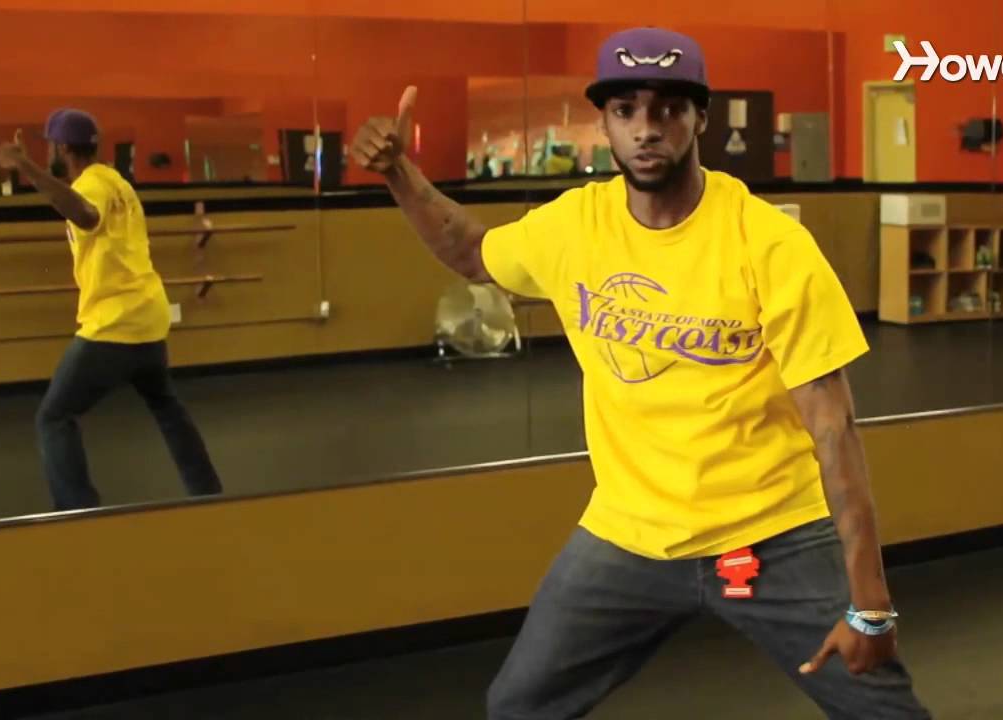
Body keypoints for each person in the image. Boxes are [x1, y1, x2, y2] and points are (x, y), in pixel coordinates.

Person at [350, 27, 931, 720]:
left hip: (770, 529)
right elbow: (474, 253)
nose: (646, 129)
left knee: (884, 714)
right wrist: (399, 172)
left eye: (667, 109)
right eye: (626, 110)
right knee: (518, 705)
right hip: (629, 531)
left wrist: (871, 604)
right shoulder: (576, 227)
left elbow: (833, 426)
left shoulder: (770, 243)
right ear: (604, 122)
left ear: (700, 117)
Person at [0, 109, 223, 511]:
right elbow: (80, 207)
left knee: (54, 417)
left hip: (114, 324)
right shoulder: (117, 181)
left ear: (63, 148)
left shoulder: (92, 185)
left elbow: (85, 214)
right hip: (149, 316)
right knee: (166, 407)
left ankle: (77, 510)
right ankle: (209, 493)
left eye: (49, 146)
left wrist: (25, 166)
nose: (47, 152)